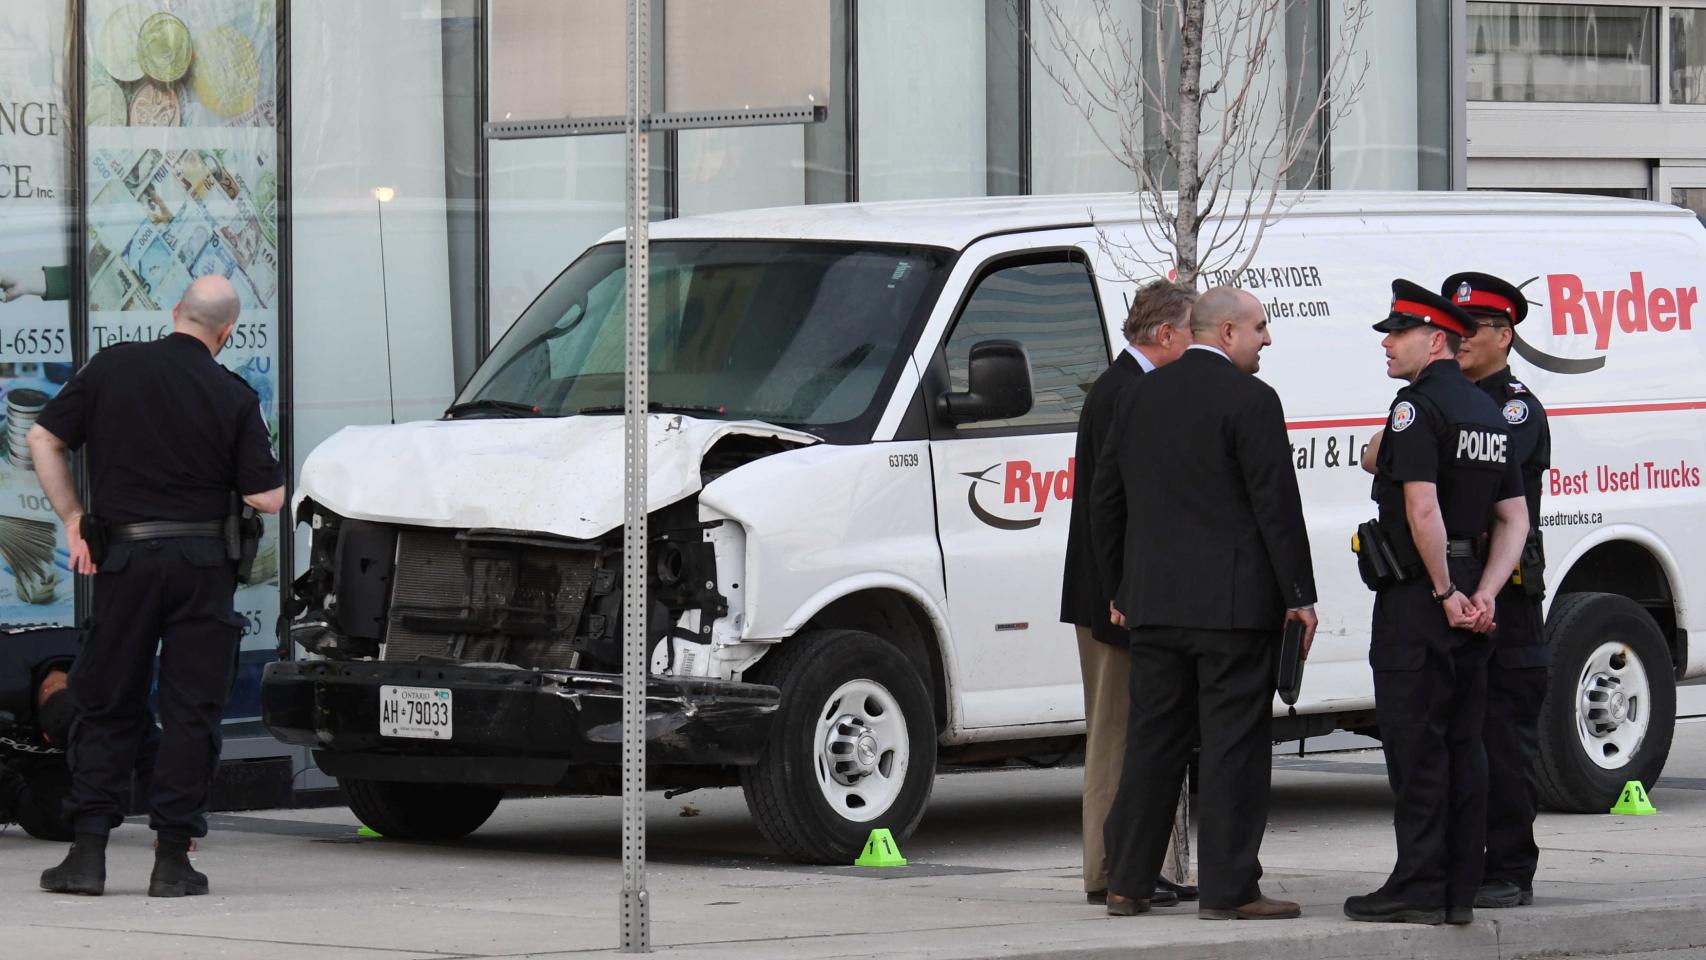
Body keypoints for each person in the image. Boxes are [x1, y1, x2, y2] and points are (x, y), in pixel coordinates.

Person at [26, 275, 285, 898]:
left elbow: (42, 436)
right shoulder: (232, 394)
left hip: (124, 561)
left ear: (174, 314)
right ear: (226, 333)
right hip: (201, 567)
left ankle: (87, 855)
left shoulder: (112, 367)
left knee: (108, 699)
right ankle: (173, 859)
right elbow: (267, 498)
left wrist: (72, 518)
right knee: (191, 710)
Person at [1089, 286, 1317, 920]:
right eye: (1260, 328)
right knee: (1233, 747)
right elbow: (1275, 504)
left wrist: (1121, 587)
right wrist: (1300, 596)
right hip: (1233, 609)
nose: (1267, 339)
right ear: (1225, 334)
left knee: (1153, 742)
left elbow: (1105, 500)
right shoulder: (1252, 400)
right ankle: (1229, 889)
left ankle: (1128, 882)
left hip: (1154, 604)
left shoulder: (1137, 395)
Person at [1344, 280, 1529, 927]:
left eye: (1398, 333)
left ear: (1436, 339)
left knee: (1418, 746)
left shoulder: (1416, 409)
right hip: (1473, 592)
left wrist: (1447, 593)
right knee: (1465, 745)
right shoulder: (1486, 412)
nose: (1388, 345)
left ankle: (1419, 884)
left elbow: (1420, 505)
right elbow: (1513, 519)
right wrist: (1484, 591)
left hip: (1421, 603)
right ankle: (1458, 889)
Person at [1059, 279, 1197, 911]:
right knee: (1114, 739)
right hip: (1113, 599)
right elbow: (1109, 506)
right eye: (1191, 332)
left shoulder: (1122, 385)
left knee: (1129, 734)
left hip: (1114, 594)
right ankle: (1111, 869)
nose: (1195, 345)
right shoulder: (1128, 391)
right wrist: (1123, 594)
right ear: (1164, 334)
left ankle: (1129, 865)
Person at [1442, 272, 1552, 910]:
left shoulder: (1514, 408)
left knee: (1503, 737)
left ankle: (1509, 867)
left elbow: (1479, 483)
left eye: (1473, 329)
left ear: (1505, 335)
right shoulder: (1450, 400)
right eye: (1451, 329)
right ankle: (1467, 858)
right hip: (1459, 588)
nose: (1458, 339)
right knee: (1460, 731)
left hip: (1505, 593)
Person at [0, 626, 162, 842]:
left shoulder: (109, 687)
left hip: (43, 758)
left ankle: (10, 792)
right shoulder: (7, 679)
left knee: (80, 821)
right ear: (46, 736)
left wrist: (171, 824)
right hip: (8, 734)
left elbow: (152, 749)